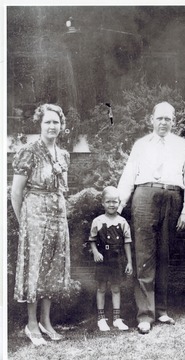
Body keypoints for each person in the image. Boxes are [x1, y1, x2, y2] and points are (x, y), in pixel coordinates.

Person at [118, 101, 185, 334]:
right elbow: (128, 175)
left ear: (174, 121)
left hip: (173, 197)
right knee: (144, 255)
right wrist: (120, 205)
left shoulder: (182, 145)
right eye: (159, 118)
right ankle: (145, 315)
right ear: (151, 120)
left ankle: (161, 311)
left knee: (164, 255)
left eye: (168, 119)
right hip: (144, 196)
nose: (163, 122)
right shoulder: (141, 145)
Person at [11, 104, 70, 345]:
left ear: (61, 125)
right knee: (35, 267)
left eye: (56, 122)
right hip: (34, 214)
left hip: (58, 213)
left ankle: (46, 322)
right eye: (47, 122)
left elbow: (63, 186)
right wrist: (23, 221)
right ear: (40, 124)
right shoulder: (29, 151)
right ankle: (32, 324)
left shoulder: (64, 154)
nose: (52, 126)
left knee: (53, 267)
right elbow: (16, 192)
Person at [89, 186, 133, 331]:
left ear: (119, 203)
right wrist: (95, 252)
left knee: (116, 288)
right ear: (103, 203)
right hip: (102, 260)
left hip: (117, 259)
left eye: (115, 202)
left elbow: (127, 243)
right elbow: (92, 240)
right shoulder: (98, 221)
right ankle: (101, 319)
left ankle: (116, 319)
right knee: (101, 288)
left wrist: (129, 263)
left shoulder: (122, 222)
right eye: (108, 202)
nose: (111, 205)